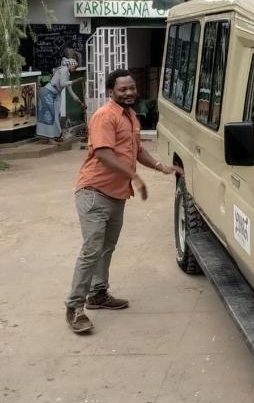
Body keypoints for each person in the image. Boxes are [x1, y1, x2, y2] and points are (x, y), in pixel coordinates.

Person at [65, 68, 183, 335]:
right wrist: (136, 178)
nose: (129, 92)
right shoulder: (105, 116)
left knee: (106, 247)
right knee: (92, 249)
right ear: (111, 92)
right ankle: (74, 308)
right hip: (94, 191)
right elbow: (105, 153)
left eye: (131, 88)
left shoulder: (130, 116)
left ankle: (98, 294)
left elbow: (137, 150)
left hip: (116, 194)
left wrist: (161, 167)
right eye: (122, 89)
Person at [36, 57, 85, 141]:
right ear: (70, 65)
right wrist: (76, 80)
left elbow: (71, 92)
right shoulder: (64, 70)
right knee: (51, 115)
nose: (75, 69)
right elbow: (62, 84)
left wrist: (81, 103)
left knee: (55, 114)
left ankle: (56, 135)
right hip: (47, 93)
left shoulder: (67, 74)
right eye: (74, 66)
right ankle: (52, 135)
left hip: (53, 94)